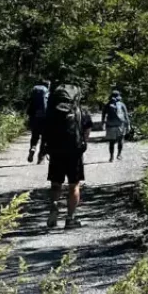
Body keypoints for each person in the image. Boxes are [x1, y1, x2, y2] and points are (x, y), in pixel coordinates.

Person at [42, 83, 90, 229]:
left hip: (55, 151)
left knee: (56, 184)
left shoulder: (51, 112)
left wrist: (43, 149)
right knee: (74, 186)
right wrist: (83, 143)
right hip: (74, 153)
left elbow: (45, 131)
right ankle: (70, 219)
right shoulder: (81, 111)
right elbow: (87, 130)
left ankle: (54, 206)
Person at [26, 78, 50, 163]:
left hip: (35, 118)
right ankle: (40, 158)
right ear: (47, 85)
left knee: (34, 136)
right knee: (44, 139)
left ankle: (33, 147)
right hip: (45, 119)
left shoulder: (35, 92)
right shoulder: (48, 93)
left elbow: (29, 105)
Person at [102, 89, 130, 162]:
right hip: (119, 125)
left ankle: (113, 156)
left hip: (112, 125)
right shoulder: (121, 104)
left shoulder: (108, 104)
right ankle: (118, 155)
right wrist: (128, 125)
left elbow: (103, 115)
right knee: (119, 141)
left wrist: (103, 124)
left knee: (112, 142)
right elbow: (126, 115)